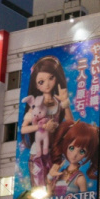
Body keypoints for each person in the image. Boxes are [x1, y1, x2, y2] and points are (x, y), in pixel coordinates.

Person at [20, 55, 74, 187]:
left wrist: (64, 102)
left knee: (52, 187)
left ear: (57, 78)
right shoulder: (35, 104)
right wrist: (41, 126)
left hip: (54, 152)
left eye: (51, 78)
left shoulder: (58, 101)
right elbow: (23, 129)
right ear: (36, 86)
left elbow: (70, 122)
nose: (47, 84)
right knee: (38, 188)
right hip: (37, 153)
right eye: (41, 82)